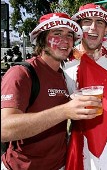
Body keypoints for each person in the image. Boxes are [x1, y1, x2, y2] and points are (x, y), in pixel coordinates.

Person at [1, 13, 101, 170]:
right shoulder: (22, 73)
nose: (65, 40)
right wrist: (64, 111)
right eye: (57, 33)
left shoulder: (64, 76)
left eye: (69, 35)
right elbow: (4, 129)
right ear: (41, 39)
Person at [64, 3, 107, 95]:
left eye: (99, 22)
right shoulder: (64, 58)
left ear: (106, 30)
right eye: (87, 21)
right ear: (79, 27)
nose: (93, 28)